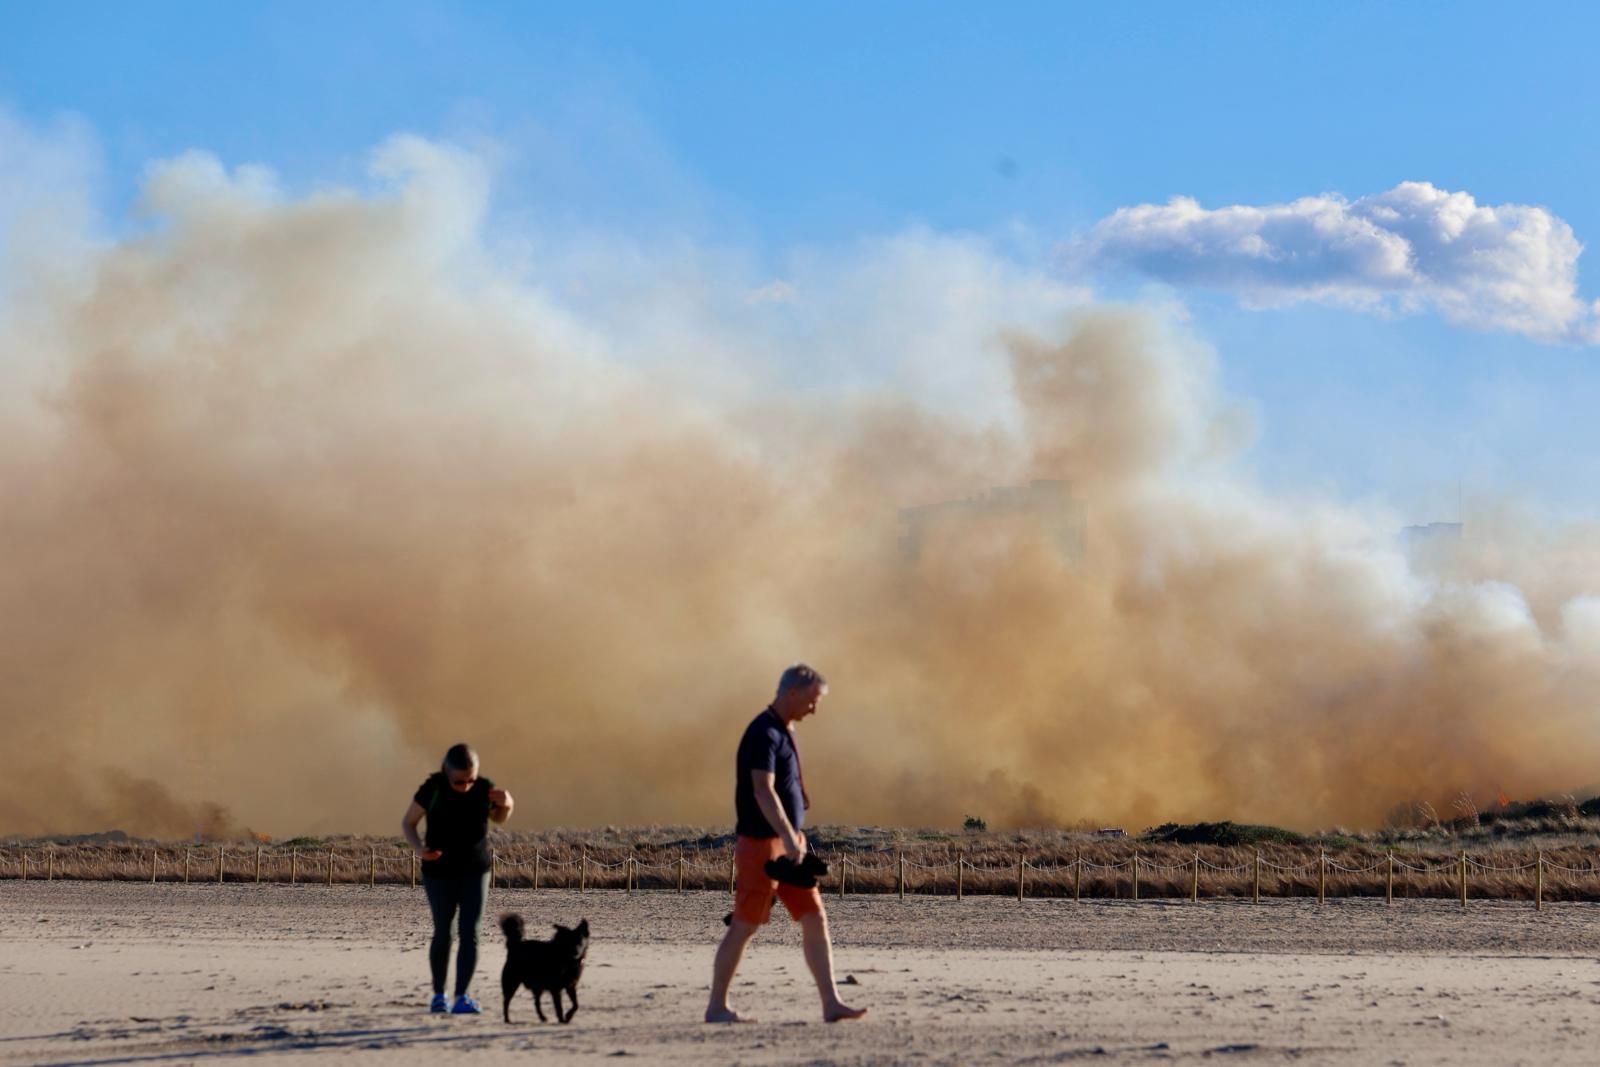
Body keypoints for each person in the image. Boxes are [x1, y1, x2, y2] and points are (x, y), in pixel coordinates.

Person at [706, 664, 866, 1024]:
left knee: (813, 917)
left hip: (790, 847)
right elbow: (763, 790)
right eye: (812, 701)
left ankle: (831, 1002)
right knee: (745, 925)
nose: (814, 709)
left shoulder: (783, 731)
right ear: (792, 693)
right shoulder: (763, 733)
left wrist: (795, 840)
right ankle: (716, 1006)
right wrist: (788, 837)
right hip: (763, 847)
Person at [401, 743, 514, 1015]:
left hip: (476, 870)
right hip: (439, 872)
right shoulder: (434, 788)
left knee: (470, 933)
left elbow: (499, 817)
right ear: (446, 771)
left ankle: (462, 996)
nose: (466, 785)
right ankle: (439, 995)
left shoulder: (483, 787)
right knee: (444, 932)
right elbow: (409, 823)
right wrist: (419, 849)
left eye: (471, 779)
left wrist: (508, 804)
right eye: (460, 781)